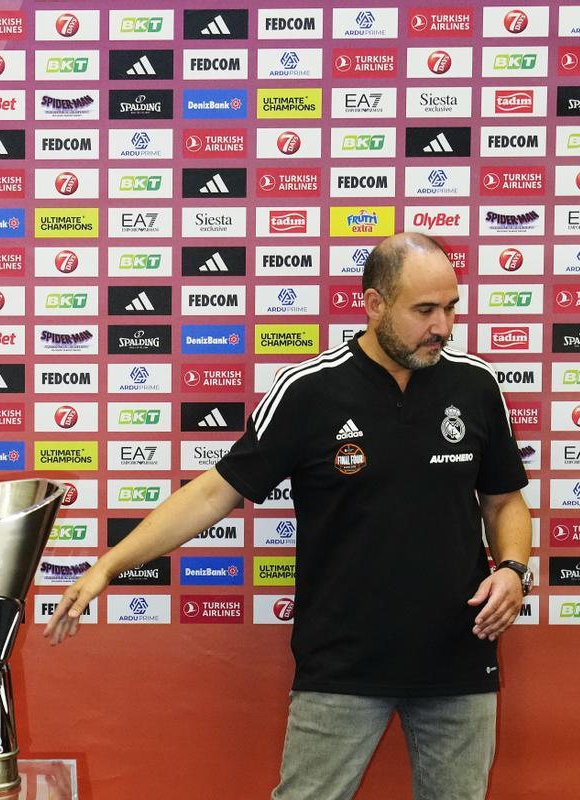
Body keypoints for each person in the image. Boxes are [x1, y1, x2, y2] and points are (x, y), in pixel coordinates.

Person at [45, 232, 533, 800]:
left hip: (460, 658)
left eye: (450, 308)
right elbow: (214, 493)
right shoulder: (309, 391)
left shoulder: (474, 384)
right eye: (424, 310)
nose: (442, 327)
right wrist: (109, 565)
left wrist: (513, 570)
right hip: (342, 666)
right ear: (374, 305)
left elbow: (503, 500)